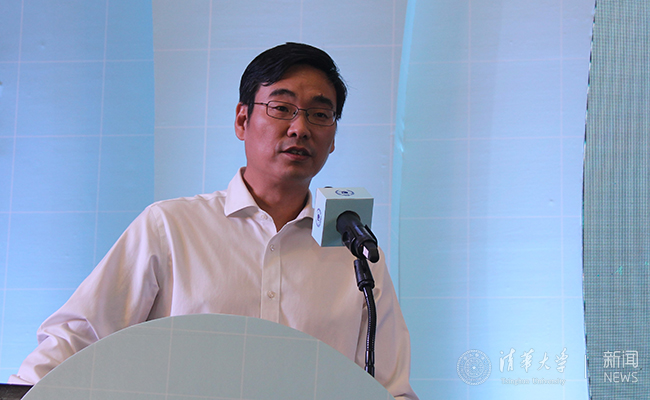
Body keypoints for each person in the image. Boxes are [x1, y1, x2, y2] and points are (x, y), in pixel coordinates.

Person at [10, 42, 418, 400]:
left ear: (333, 136)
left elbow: (390, 387)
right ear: (242, 120)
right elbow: (78, 338)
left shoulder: (358, 256)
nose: (300, 128)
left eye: (320, 114)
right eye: (282, 108)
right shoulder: (170, 227)